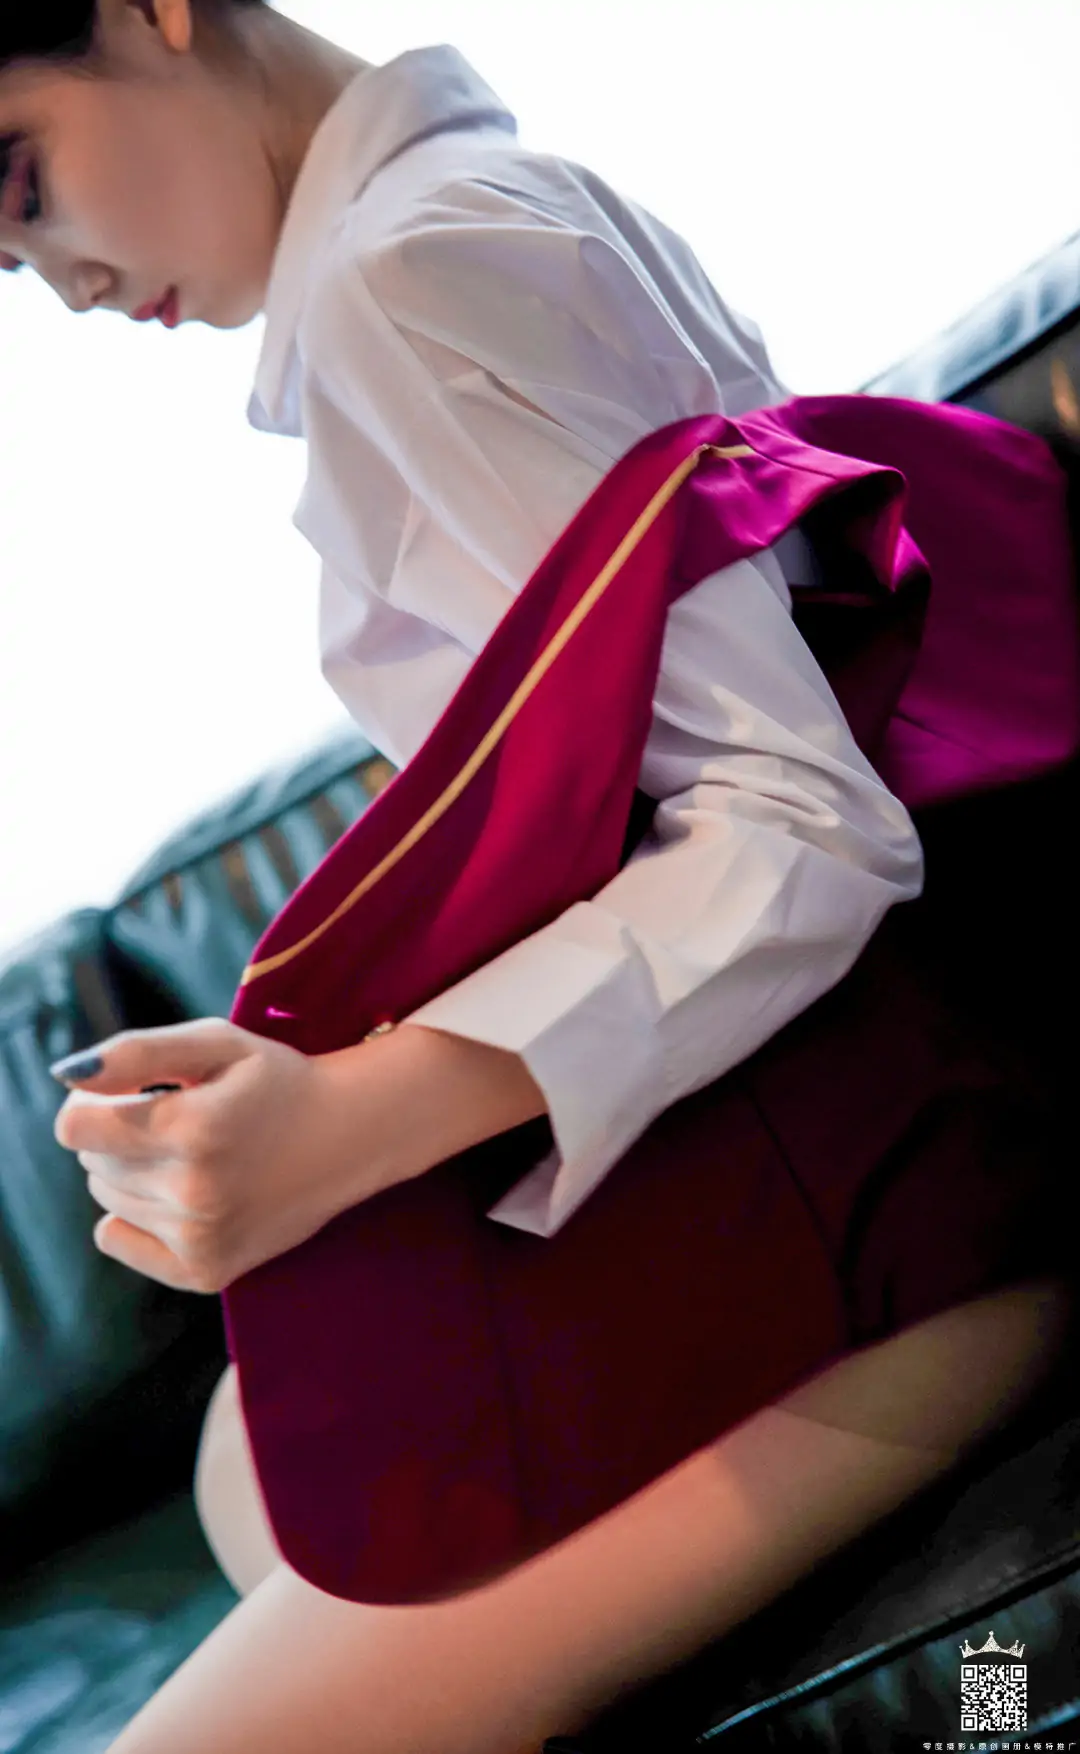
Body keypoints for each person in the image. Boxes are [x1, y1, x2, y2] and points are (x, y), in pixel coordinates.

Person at [5, 4, 1076, 1749]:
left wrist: (354, 1116)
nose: (63, 286)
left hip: (889, 1205)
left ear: (150, 13)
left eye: (24, 186)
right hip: (868, 1124)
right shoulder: (477, 209)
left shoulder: (414, 281)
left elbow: (797, 815)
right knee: (250, 1460)